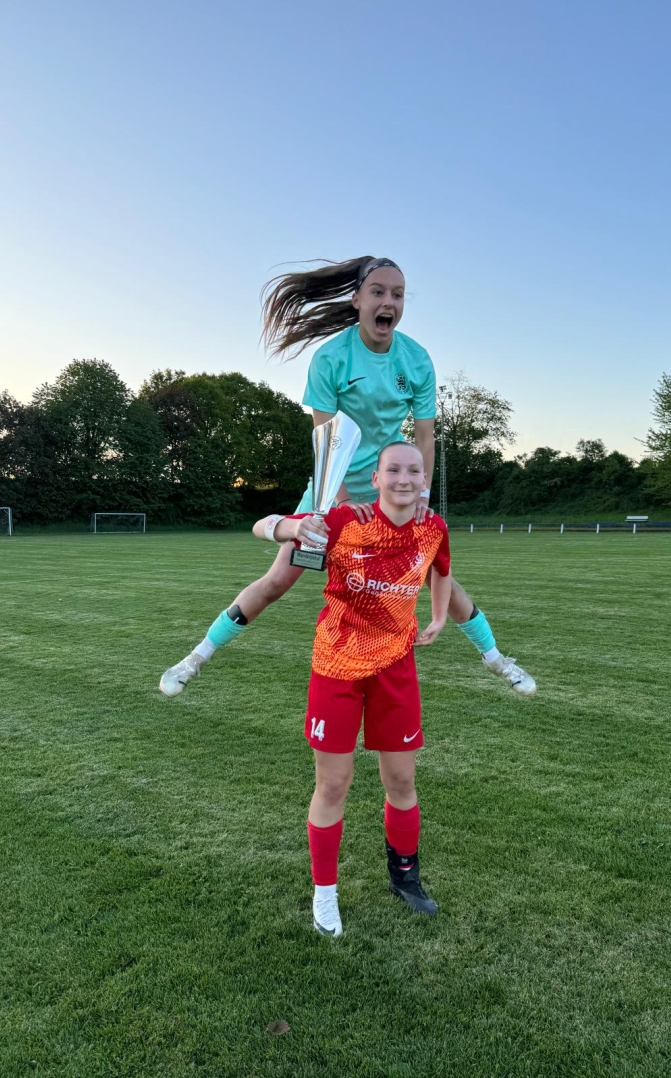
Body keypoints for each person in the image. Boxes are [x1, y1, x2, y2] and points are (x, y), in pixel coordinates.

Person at [159, 256, 535, 699]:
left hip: (390, 490)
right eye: (378, 292)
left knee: (438, 577)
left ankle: (497, 660)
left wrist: (419, 496)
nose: (389, 301)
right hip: (332, 487)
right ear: (356, 299)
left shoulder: (416, 360)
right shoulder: (331, 358)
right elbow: (326, 440)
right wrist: (338, 503)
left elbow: (425, 437)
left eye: (397, 294)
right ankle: (195, 658)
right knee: (278, 580)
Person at [252, 441, 451, 935]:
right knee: (333, 784)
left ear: (423, 480)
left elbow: (442, 571)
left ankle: (405, 879)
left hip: (395, 669)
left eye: (413, 471)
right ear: (376, 478)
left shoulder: (433, 527)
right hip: (336, 666)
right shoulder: (344, 520)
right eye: (393, 470)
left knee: (401, 782)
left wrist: (440, 616)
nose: (404, 478)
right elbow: (262, 525)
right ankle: (325, 895)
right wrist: (292, 528)